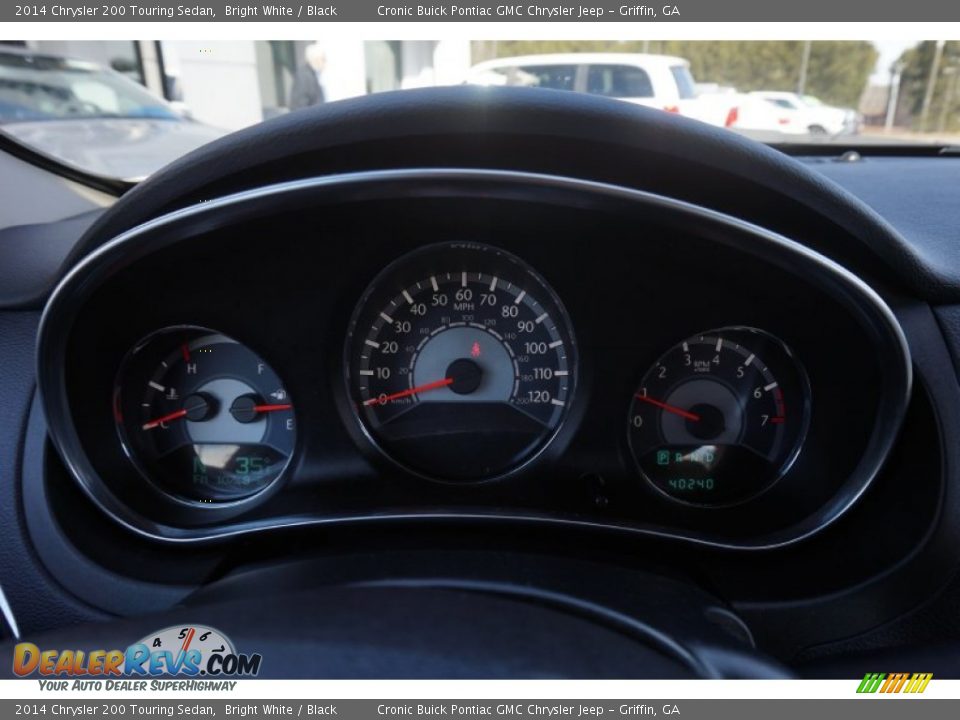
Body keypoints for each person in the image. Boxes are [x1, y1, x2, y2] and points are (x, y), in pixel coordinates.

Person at [290, 43, 327, 110]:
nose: (325, 63)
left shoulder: (313, 74)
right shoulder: (304, 76)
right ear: (316, 59)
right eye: (323, 59)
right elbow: (300, 105)